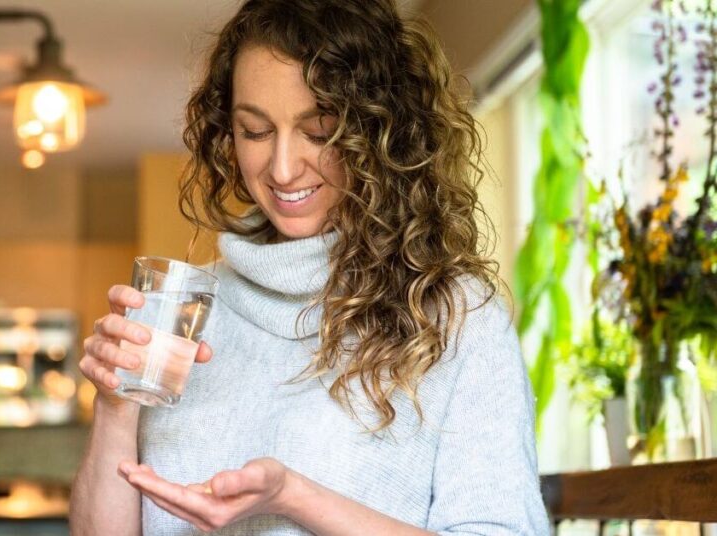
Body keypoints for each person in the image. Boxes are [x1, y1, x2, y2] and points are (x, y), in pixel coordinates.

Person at [70, 0, 550, 534]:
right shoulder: (188, 319)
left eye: (319, 131)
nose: (280, 168)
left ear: (381, 132)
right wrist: (115, 407)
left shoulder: (456, 317)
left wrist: (294, 497)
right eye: (255, 131)